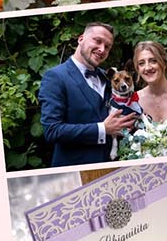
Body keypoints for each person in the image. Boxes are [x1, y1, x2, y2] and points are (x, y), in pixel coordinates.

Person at [39, 22, 137, 166]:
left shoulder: (109, 77)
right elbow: (52, 130)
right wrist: (103, 129)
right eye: (97, 41)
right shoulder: (55, 77)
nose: (102, 49)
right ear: (81, 39)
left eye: (107, 47)